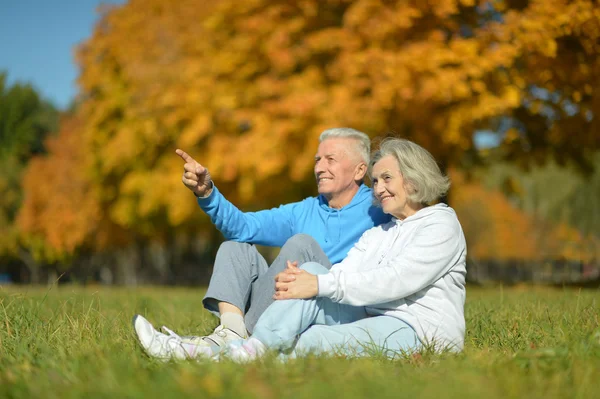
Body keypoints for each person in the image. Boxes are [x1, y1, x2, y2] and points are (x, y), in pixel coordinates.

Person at [134, 138, 467, 361]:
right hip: (352, 306)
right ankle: (232, 341)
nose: (378, 189)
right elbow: (245, 227)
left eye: (384, 179)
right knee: (249, 250)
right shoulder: (377, 230)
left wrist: (318, 284)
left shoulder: (435, 223)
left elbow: (396, 279)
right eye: (317, 159)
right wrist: (208, 193)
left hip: (419, 329)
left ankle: (227, 352)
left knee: (306, 325)